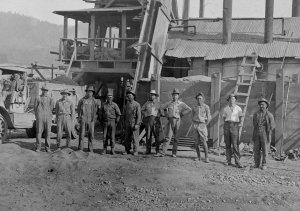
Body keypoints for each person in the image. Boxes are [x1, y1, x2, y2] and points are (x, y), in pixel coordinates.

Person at [160, 88, 191, 158]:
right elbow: (161, 108)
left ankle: (174, 153)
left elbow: (189, 109)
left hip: (177, 121)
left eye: (176, 95)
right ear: (172, 96)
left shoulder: (181, 104)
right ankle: (163, 152)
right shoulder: (169, 103)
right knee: (168, 137)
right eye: (173, 95)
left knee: (176, 138)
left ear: (178, 96)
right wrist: (165, 114)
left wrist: (182, 114)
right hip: (171, 120)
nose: (174, 96)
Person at [252, 97, 275, 170]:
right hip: (257, 133)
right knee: (256, 149)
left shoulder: (269, 115)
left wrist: (269, 129)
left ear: (266, 105)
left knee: (265, 150)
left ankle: (264, 164)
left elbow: (273, 126)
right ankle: (256, 164)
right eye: (260, 105)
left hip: (265, 134)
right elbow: (254, 124)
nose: (261, 106)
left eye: (263, 105)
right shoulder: (256, 114)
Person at [222, 94, 243, 168]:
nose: (232, 100)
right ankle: (228, 160)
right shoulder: (226, 109)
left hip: (234, 126)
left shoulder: (238, 108)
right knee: (227, 144)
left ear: (235, 100)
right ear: (228, 100)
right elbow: (224, 118)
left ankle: (237, 162)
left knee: (235, 144)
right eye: (230, 99)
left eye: (233, 99)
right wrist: (226, 125)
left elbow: (240, 118)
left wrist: (238, 125)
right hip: (227, 125)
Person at [77, 86, 101, 153]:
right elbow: (78, 109)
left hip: (91, 120)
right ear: (86, 92)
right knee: (81, 134)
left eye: (90, 92)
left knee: (91, 135)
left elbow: (97, 110)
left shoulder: (95, 101)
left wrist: (95, 118)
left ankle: (90, 149)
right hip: (83, 119)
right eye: (88, 92)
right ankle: (80, 148)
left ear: (92, 93)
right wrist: (80, 117)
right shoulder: (82, 100)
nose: (89, 93)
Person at [191, 92, 211, 162]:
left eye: (200, 98)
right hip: (195, 124)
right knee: (196, 142)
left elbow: (209, 117)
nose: (199, 100)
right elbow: (192, 116)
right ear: (196, 99)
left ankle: (206, 157)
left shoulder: (206, 107)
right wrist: (194, 124)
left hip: (202, 124)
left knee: (204, 141)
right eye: (198, 98)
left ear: (203, 99)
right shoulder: (194, 107)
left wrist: (205, 124)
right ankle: (198, 157)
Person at [34, 86, 54, 152]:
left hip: (48, 117)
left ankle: (47, 148)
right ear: (42, 90)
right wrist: (38, 116)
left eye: (46, 90)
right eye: (43, 90)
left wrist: (48, 115)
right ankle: (38, 147)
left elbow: (51, 108)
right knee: (39, 132)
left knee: (48, 132)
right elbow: (35, 108)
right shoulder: (38, 98)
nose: (45, 91)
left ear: (47, 91)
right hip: (40, 117)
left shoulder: (50, 99)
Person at [101, 90, 121, 155]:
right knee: (104, 136)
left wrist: (116, 122)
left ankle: (112, 150)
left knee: (112, 137)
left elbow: (119, 114)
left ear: (112, 98)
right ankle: (104, 149)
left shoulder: (115, 105)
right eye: (108, 97)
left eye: (111, 97)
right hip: (105, 122)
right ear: (106, 98)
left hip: (112, 122)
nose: (109, 98)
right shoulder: (104, 105)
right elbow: (100, 114)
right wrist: (102, 121)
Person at [141, 90, 161, 155]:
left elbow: (161, 111)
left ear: (155, 96)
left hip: (156, 120)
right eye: (151, 95)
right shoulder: (147, 103)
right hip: (149, 120)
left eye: (153, 95)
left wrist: (158, 115)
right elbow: (142, 110)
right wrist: (146, 115)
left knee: (156, 136)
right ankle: (148, 150)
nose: (152, 96)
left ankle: (157, 151)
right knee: (148, 135)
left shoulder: (158, 103)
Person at [124, 90, 141, 155]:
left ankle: (135, 151)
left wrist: (137, 124)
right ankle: (127, 150)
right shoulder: (127, 104)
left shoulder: (137, 104)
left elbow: (139, 115)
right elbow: (125, 114)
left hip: (134, 123)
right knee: (127, 137)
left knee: (135, 138)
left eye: (130, 95)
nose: (129, 96)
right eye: (128, 95)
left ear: (133, 96)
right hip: (127, 123)